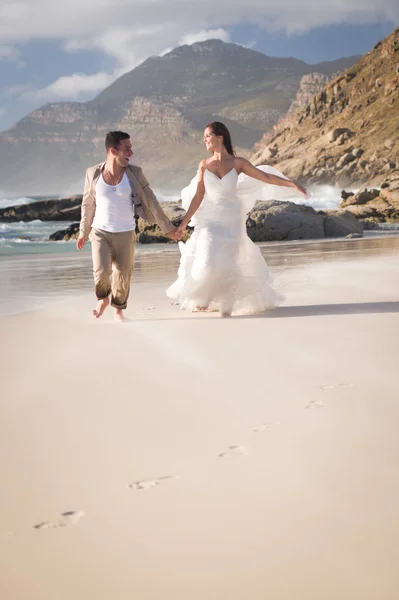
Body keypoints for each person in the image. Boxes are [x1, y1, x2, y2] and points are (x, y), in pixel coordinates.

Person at [167, 121, 308, 317]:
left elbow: (265, 177)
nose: (204, 140)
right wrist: (183, 223)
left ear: (220, 137)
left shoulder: (238, 163)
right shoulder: (203, 165)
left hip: (231, 218)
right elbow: (199, 195)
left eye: (208, 136)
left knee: (228, 263)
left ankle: (226, 306)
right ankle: (206, 298)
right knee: (207, 259)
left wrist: (291, 184)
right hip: (210, 218)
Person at [77, 131, 177, 322]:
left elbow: (152, 201)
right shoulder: (93, 173)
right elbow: (87, 204)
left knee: (123, 276)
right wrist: (84, 232)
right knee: (101, 272)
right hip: (100, 232)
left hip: (126, 232)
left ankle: (118, 310)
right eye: (127, 149)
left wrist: (168, 228)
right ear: (113, 151)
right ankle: (103, 299)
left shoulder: (135, 174)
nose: (131, 153)